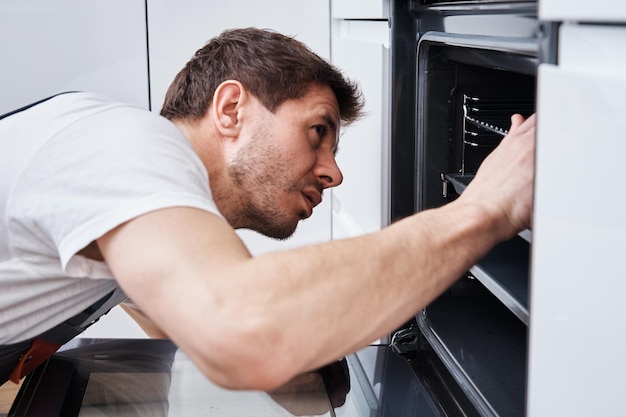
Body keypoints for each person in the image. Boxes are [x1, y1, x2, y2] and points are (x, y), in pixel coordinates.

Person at [0, 27, 536, 389]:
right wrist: (484, 208)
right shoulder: (127, 145)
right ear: (232, 109)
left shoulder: (129, 202)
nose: (333, 172)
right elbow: (243, 329)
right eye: (318, 132)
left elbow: (185, 316)